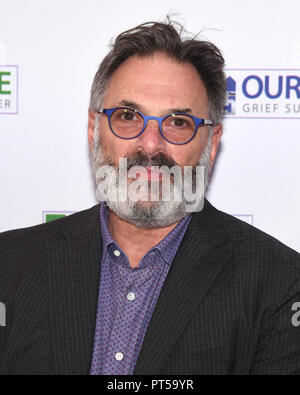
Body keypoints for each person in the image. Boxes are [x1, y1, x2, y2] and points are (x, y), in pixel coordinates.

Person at [0, 20, 300, 376]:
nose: (151, 145)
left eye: (177, 123)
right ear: (94, 130)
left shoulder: (280, 283)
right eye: (128, 117)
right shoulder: (9, 265)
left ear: (212, 143)